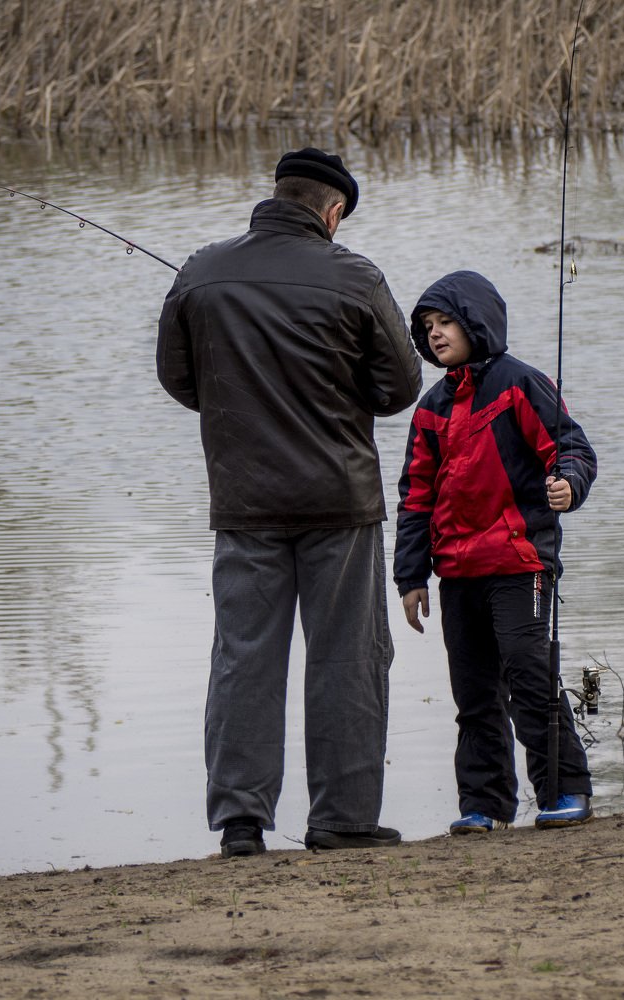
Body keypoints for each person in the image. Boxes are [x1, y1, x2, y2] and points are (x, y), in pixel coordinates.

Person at [157, 147, 423, 857]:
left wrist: (242, 409)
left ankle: (241, 823)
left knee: (243, 658)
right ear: (332, 212)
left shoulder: (201, 270)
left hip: (244, 499)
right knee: (348, 658)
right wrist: (336, 398)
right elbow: (399, 388)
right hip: (340, 498)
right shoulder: (355, 276)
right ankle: (341, 819)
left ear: (276, 195)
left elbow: (179, 382)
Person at [393, 269, 596, 834]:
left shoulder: (519, 385)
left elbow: (573, 449)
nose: (434, 334)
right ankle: (483, 806)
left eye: (445, 322)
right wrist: (410, 577)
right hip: (457, 574)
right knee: (474, 694)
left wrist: (568, 484)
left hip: (520, 564)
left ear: (476, 321)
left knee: (530, 675)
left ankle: (564, 791)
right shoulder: (431, 407)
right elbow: (415, 498)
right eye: (427, 327)